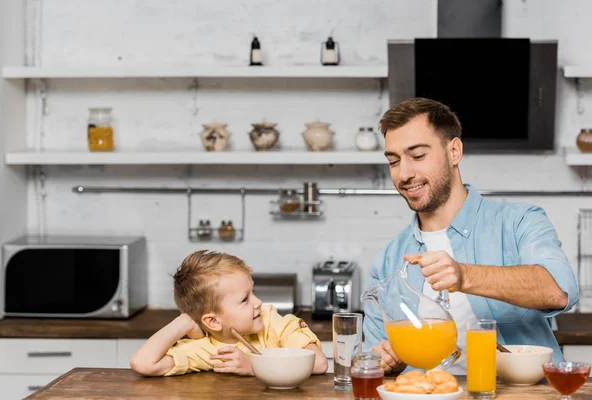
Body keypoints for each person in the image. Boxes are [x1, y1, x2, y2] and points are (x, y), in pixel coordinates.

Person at [363, 97, 578, 375]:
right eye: (394, 161)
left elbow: (559, 292)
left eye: (417, 156)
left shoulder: (518, 222)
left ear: (454, 151)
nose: (404, 174)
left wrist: (464, 276)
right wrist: (387, 362)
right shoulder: (387, 262)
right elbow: (370, 364)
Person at [130, 250, 328, 376]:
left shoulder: (273, 323)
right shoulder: (207, 349)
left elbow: (318, 363)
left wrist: (254, 366)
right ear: (213, 322)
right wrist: (183, 322)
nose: (258, 302)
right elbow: (143, 363)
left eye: (253, 292)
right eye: (244, 299)